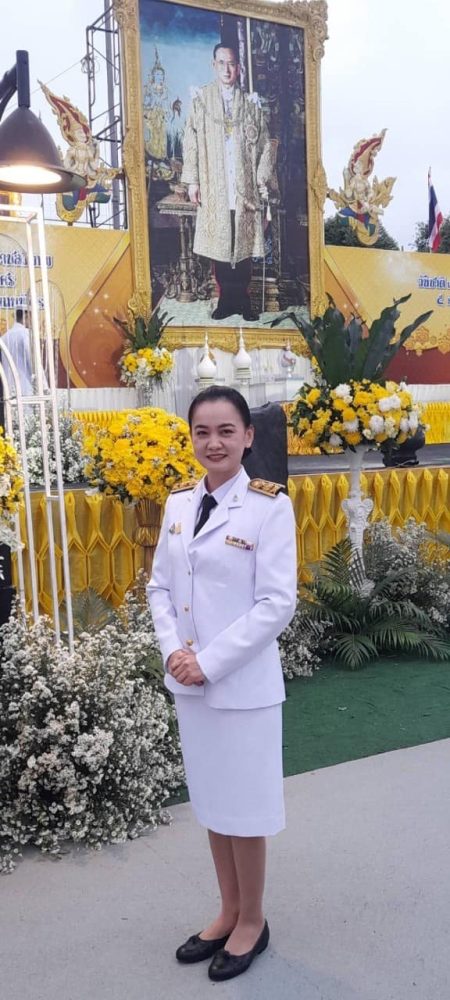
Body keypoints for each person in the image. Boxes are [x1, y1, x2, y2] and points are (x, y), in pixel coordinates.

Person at [147, 385, 297, 982]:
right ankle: (228, 910)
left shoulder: (269, 508)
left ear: (248, 437)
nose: (214, 443)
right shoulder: (179, 503)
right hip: (190, 685)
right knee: (213, 802)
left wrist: (207, 661)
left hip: (242, 688)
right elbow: (160, 587)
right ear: (192, 438)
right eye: (203, 432)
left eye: (226, 431)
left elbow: (276, 603)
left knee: (245, 809)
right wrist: (173, 652)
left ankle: (252, 921)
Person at [181, 43, 273, 321]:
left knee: (243, 245)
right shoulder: (201, 100)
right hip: (215, 186)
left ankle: (243, 301)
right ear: (214, 65)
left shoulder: (251, 104)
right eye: (221, 63)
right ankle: (225, 301)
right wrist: (193, 181)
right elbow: (190, 142)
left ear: (239, 68)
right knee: (221, 244)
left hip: (244, 188)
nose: (227, 69)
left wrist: (262, 182)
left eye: (231, 63)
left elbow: (266, 145)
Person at [0, 309, 34, 398]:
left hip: (8, 391)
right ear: (26, 316)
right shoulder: (25, 334)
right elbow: (33, 362)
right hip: (26, 390)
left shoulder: (4, 337)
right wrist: (44, 387)